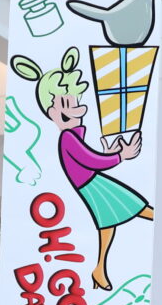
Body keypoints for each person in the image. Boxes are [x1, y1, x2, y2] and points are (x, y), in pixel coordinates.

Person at [10, 47, 153, 291]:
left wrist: (110, 152)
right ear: (53, 112)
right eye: (68, 101)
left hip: (93, 183)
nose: (76, 105)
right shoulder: (68, 138)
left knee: (113, 220)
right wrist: (120, 155)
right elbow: (90, 160)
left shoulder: (72, 135)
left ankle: (99, 270)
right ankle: (102, 268)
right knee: (132, 208)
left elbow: (91, 158)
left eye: (75, 100)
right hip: (93, 184)